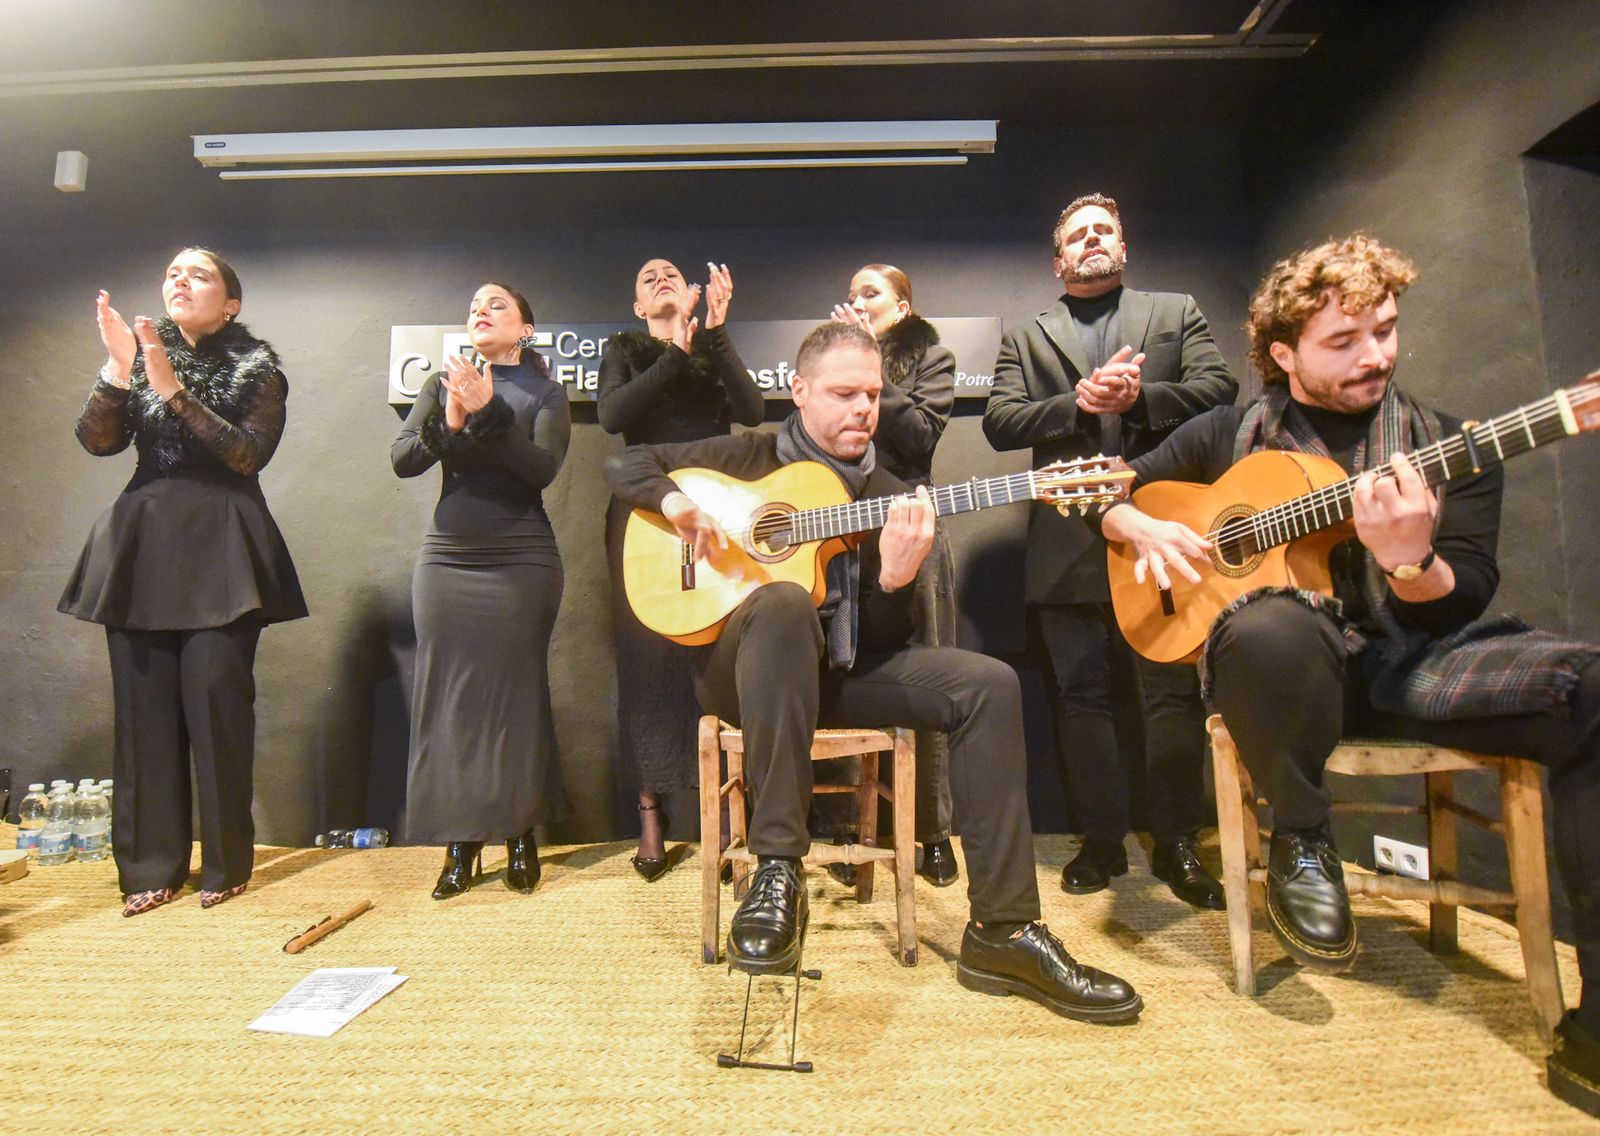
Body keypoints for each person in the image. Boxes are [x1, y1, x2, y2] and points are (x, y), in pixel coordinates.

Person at [1101, 233, 1600, 1118]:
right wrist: (1133, 525)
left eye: (1385, 331)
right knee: (1262, 627)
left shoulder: (1453, 443)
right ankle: (1301, 836)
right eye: (1345, 341)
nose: (1375, 356)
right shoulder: (1226, 433)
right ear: (1284, 353)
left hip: (1420, 662)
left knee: (1592, 688)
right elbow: (1114, 491)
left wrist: (1413, 563)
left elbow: (1467, 593)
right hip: (1289, 675)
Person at [606, 321, 1142, 1023]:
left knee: (989, 684)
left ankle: (1003, 931)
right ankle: (777, 870)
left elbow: (885, 641)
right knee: (783, 602)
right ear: (799, 392)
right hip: (746, 676)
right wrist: (677, 503)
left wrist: (892, 580)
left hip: (838, 678)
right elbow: (623, 465)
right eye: (843, 393)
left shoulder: (892, 491)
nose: (864, 409)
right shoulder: (749, 455)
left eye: (873, 394)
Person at [982, 193, 1238, 908]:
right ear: (1058, 259)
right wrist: (1081, 405)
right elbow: (1002, 421)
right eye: (1078, 235)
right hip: (1066, 544)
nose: (1092, 240)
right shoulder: (1028, 337)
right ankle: (1100, 842)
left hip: (1164, 528)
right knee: (1082, 697)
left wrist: (1140, 400)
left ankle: (1179, 842)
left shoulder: (1175, 310)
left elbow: (1223, 390)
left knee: (1169, 695)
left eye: (1105, 231)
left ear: (1122, 249)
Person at [60, 247, 307, 917]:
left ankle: (226, 862)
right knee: (143, 719)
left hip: (223, 545)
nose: (180, 280)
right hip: (142, 545)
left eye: (199, 274)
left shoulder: (258, 371)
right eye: (173, 272)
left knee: (218, 707)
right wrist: (118, 368)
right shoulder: (139, 359)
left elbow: (246, 454)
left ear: (231, 303)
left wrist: (173, 387)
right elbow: (98, 441)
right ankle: (150, 865)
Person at [392, 282, 571, 899]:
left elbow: (539, 470)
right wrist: (451, 415)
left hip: (521, 559)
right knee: (450, 700)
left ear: (525, 328)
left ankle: (519, 833)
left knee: (515, 699)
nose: (480, 310)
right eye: (473, 305)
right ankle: (460, 842)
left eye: (496, 304)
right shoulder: (441, 384)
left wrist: (491, 409)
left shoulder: (545, 392)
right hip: (449, 559)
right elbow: (403, 459)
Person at [598, 259, 762, 881]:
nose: (661, 277)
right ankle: (651, 816)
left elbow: (748, 407)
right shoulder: (624, 348)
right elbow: (614, 416)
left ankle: (726, 817)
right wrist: (673, 353)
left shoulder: (710, 346)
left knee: (717, 653)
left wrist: (713, 336)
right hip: (645, 513)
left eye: (671, 272)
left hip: (718, 511)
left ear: (692, 295)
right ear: (640, 306)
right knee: (646, 660)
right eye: (647, 277)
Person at [828, 263, 960, 887]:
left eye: (871, 293)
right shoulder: (833, 367)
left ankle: (932, 831)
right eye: (851, 295)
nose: (857, 302)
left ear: (902, 307)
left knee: (926, 673)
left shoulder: (932, 357)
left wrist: (872, 359)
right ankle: (852, 826)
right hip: (843, 528)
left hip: (911, 520)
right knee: (845, 668)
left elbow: (919, 438)